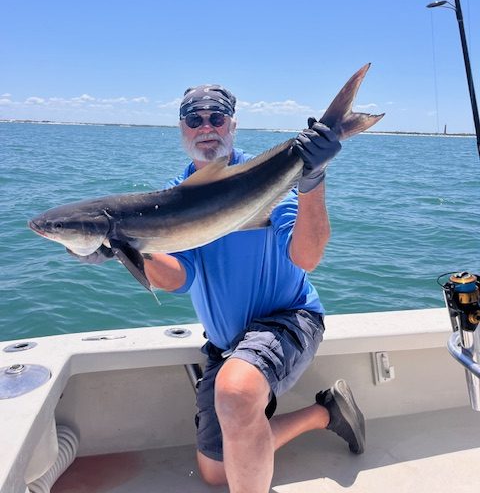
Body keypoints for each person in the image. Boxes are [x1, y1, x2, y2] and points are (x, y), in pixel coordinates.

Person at [72, 84, 365, 493]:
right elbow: (179, 279)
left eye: (216, 117)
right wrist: (125, 249)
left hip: (289, 321)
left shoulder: (263, 178)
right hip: (228, 343)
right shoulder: (173, 197)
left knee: (235, 391)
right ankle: (327, 412)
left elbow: (307, 257)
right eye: (195, 119)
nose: (206, 127)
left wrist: (312, 178)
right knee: (216, 471)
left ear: (233, 124)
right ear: (182, 128)